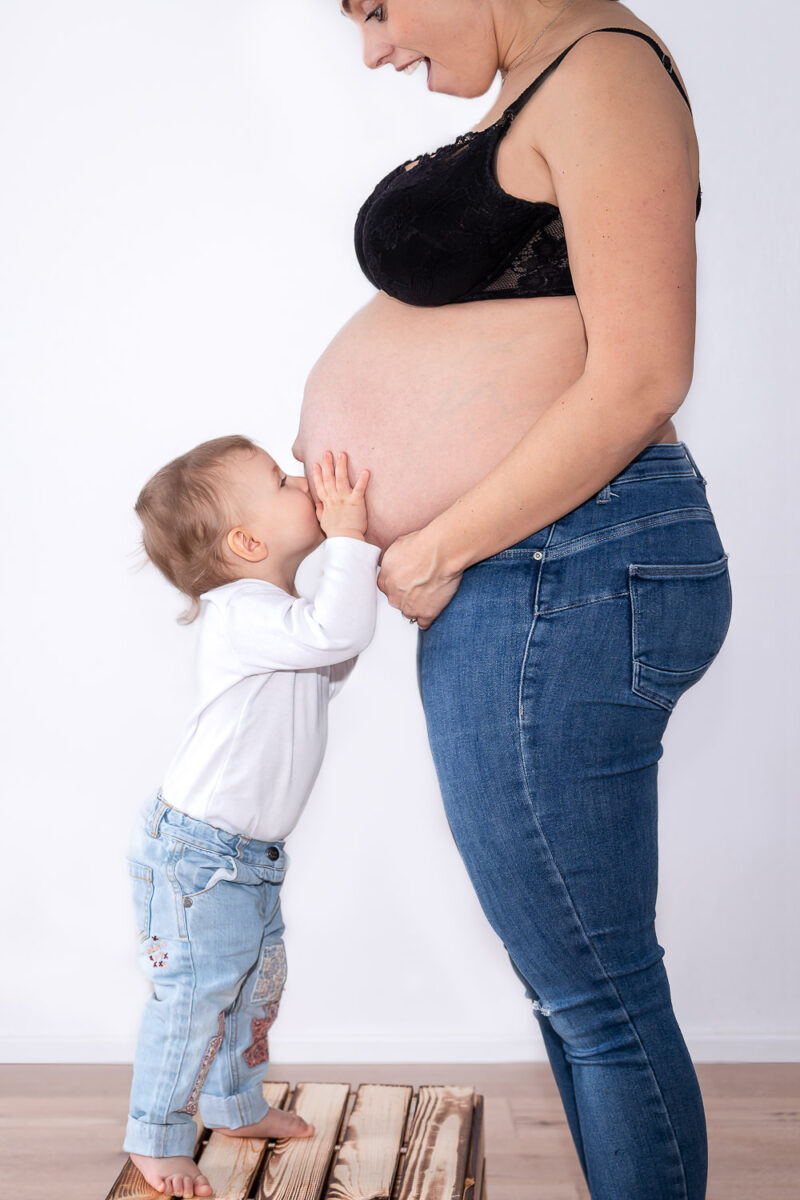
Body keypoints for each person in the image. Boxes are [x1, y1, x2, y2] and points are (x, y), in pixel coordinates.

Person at [292, 2, 731, 1196]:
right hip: (544, 566)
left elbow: (642, 374)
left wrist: (436, 547)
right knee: (574, 982)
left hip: (571, 562)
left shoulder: (601, 76)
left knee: (594, 988)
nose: (375, 47)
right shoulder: (550, 75)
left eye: (375, 7)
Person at [123, 437, 379, 1197]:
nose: (305, 483)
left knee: (252, 988)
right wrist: (352, 540)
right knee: (198, 995)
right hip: (202, 856)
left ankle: (232, 1104)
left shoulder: (278, 615)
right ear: (247, 542)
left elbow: (334, 654)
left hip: (248, 856)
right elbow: (338, 634)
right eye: (283, 480)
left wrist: (355, 562)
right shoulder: (242, 613)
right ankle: (157, 1135)